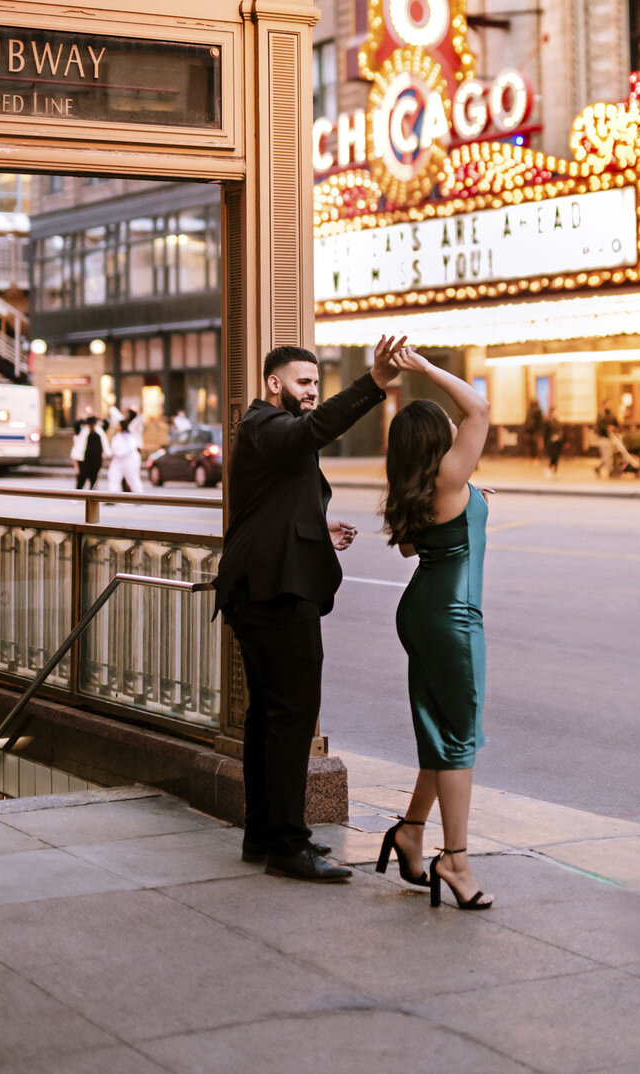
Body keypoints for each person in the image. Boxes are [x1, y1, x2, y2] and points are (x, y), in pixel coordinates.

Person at [210, 336, 404, 882]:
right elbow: (310, 433)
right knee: (292, 716)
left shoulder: (271, 434)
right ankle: (289, 846)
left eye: (316, 383)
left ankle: (262, 835)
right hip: (274, 593)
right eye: (303, 382)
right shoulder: (264, 425)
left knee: (270, 716)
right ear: (275, 384)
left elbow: (271, 502)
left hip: (264, 586)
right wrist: (374, 384)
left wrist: (317, 526)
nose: (312, 392)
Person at [378, 348, 494, 911]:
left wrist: (472, 498)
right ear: (436, 441)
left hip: (420, 610)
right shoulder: (451, 476)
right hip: (453, 616)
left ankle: (411, 830)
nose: (456, 422)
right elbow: (480, 408)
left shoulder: (425, 486)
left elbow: (411, 546)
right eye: (444, 423)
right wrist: (424, 370)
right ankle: (457, 859)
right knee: (460, 737)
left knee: (438, 730)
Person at [107, 415, 143, 494]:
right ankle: (112, 497)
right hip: (118, 461)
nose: (116, 426)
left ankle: (139, 496)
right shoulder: (117, 436)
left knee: (132, 478)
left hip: (129, 460)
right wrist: (108, 453)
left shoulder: (129, 437)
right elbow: (113, 449)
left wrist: (117, 453)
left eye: (118, 424)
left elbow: (129, 448)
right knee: (113, 477)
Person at [72, 414, 109, 490]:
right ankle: (78, 495)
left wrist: (100, 419)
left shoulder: (99, 432)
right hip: (84, 460)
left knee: (94, 479)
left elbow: (107, 424)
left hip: (96, 460)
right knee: (82, 478)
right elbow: (76, 427)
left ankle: (91, 497)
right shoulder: (83, 432)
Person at [593, 402, 619, 478]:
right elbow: (599, 425)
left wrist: (613, 428)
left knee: (608, 455)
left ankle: (598, 468)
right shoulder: (601, 415)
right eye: (606, 404)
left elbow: (617, 424)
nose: (608, 406)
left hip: (611, 438)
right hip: (603, 438)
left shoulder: (613, 415)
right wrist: (606, 428)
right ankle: (610, 471)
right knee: (607, 455)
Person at [543, 412, 565, 476]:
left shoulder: (559, 423)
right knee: (554, 456)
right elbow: (546, 434)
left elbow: (561, 432)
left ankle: (555, 470)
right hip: (552, 442)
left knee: (557, 457)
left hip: (558, 442)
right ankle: (550, 468)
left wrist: (563, 440)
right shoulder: (548, 423)